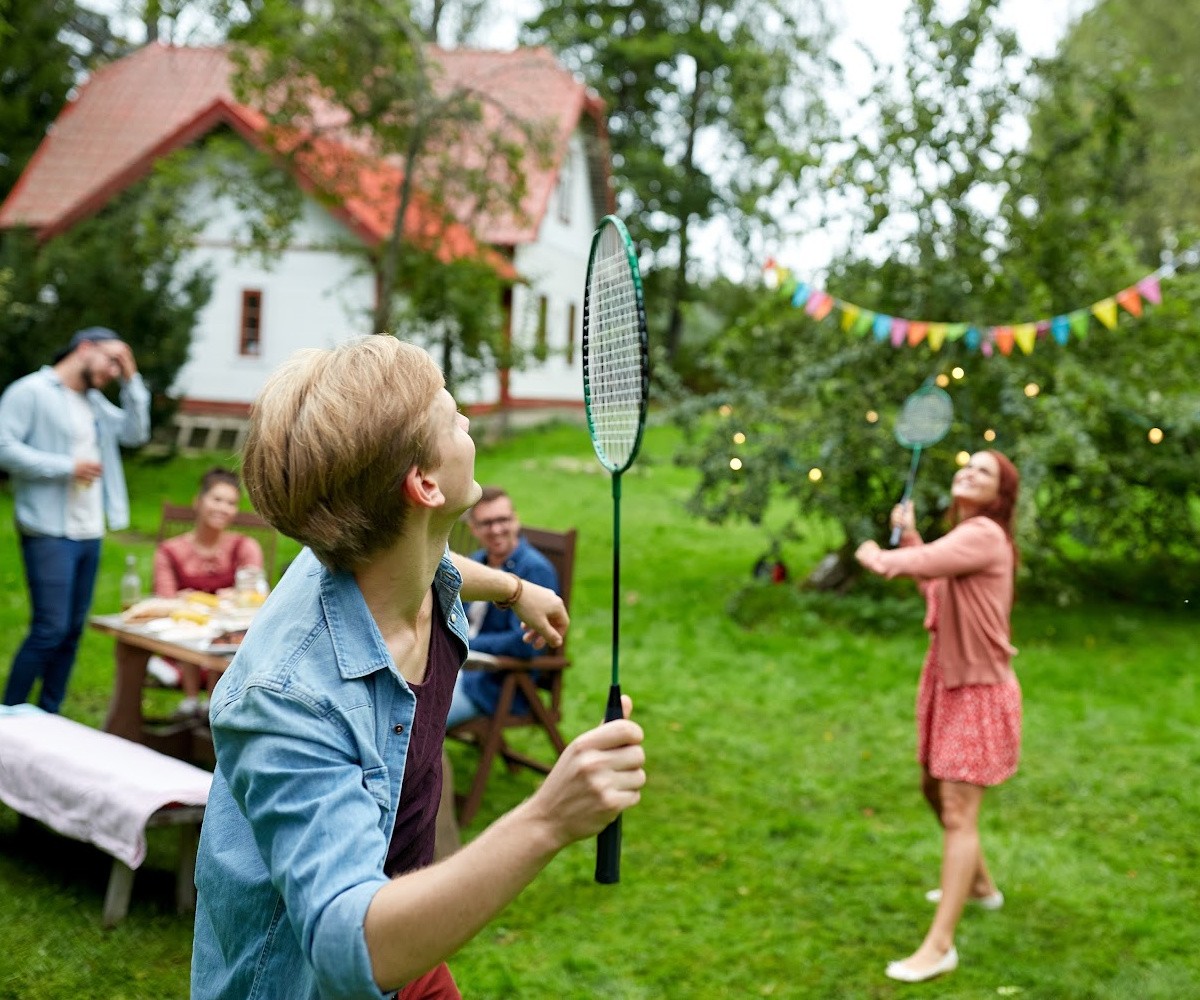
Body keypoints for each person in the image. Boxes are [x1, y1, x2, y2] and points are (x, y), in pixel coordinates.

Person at [191, 336, 646, 1000]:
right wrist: (548, 817)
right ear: (424, 485)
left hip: (406, 936)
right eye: (449, 411)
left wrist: (519, 591)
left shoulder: (378, 560)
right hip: (327, 969)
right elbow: (347, 945)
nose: (466, 422)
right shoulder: (285, 699)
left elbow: (440, 563)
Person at [855, 450, 1021, 984]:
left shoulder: (986, 535)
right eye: (966, 466)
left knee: (956, 809)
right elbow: (933, 578)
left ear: (999, 495)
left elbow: (908, 568)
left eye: (983, 472)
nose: (968, 473)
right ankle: (979, 886)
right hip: (947, 680)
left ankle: (940, 947)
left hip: (978, 690)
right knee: (935, 789)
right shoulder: (965, 539)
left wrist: (877, 553)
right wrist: (910, 537)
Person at [0, 327, 150, 713]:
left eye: (121, 366)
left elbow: (136, 432)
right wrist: (66, 467)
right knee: (49, 630)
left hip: (88, 530)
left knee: (70, 634)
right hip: (48, 529)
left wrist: (133, 376)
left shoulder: (96, 403)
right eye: (112, 360)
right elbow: (4, 447)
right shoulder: (31, 392)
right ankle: (10, 714)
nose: (114, 371)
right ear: (84, 348)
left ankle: (49, 716)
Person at [152, 466, 264, 715]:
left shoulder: (245, 547)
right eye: (217, 499)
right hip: (183, 647)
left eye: (231, 503)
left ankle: (215, 708)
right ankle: (193, 702)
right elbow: (165, 599)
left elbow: (255, 595)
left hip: (230, 648)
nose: (223, 508)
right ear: (198, 501)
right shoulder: (170, 551)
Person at [444, 487, 559, 729]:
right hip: (456, 669)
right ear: (474, 528)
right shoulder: (477, 562)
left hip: (495, 685)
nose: (496, 530)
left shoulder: (534, 571)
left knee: (419, 722)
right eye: (486, 523)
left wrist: (462, 642)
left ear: (516, 520)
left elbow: (523, 643)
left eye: (502, 520)